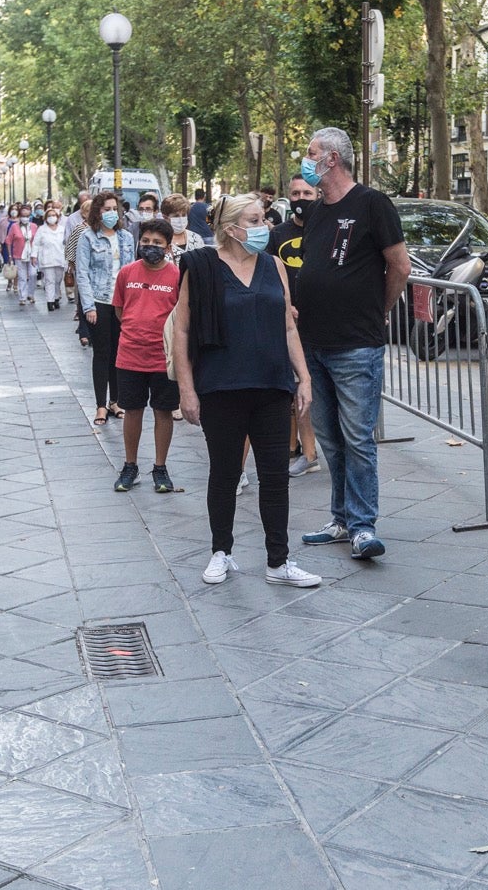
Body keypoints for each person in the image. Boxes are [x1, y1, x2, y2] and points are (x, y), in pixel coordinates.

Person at [171, 193, 319, 588]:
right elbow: (181, 329)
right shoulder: (201, 266)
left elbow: (288, 325)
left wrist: (303, 377)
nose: (264, 225)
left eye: (265, 218)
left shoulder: (273, 265)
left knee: (275, 477)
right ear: (232, 227)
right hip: (221, 386)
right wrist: (186, 389)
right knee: (224, 472)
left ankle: (278, 561)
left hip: (271, 385)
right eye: (255, 219)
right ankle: (221, 551)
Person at [293, 126, 411, 560]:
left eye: (311, 154)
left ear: (332, 160)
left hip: (356, 342)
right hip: (314, 343)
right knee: (329, 436)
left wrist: (380, 308)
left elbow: (399, 265)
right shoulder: (319, 210)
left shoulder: (372, 204)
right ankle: (341, 518)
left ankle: (362, 525)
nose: (305, 161)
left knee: (358, 436)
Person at [111, 218, 182, 495]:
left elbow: (182, 315)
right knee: (132, 410)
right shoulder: (127, 273)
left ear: (168, 246)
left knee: (163, 411)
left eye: (157, 243)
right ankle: (130, 466)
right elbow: (119, 311)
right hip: (130, 354)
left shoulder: (177, 276)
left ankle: (160, 467)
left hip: (164, 357)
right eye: (146, 241)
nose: (150, 247)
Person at [269, 174, 319, 476]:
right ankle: (305, 450)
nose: (301, 199)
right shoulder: (278, 235)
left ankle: (312, 448)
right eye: (296, 193)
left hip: (324, 321)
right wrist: (284, 304)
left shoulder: (328, 230)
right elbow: (269, 271)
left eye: (307, 193)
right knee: (296, 384)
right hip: (289, 322)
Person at [79, 191, 135, 425]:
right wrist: (88, 306)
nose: (111, 213)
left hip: (122, 304)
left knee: (119, 355)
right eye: (106, 209)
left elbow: (131, 270)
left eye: (114, 209)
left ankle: (116, 401)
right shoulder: (88, 237)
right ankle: (101, 405)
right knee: (102, 353)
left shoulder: (126, 237)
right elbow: (82, 273)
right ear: (97, 212)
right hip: (100, 302)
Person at [33, 204, 68, 311]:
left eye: (54, 215)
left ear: (57, 217)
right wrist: (34, 256)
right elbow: (36, 243)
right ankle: (50, 301)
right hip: (47, 259)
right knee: (49, 281)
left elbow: (67, 243)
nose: (52, 217)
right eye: (49, 215)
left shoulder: (62, 229)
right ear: (46, 218)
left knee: (58, 280)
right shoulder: (41, 230)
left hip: (60, 258)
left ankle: (56, 297)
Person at [8, 206, 38, 306]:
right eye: (23, 216)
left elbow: (37, 241)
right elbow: (8, 241)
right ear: (20, 216)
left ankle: (31, 294)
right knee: (22, 277)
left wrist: (37, 254)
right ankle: (22, 297)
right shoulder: (14, 227)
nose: (25, 218)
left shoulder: (34, 226)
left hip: (32, 255)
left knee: (33, 274)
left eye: (27, 216)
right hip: (18, 255)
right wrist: (9, 256)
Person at [162, 194, 205, 264]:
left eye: (184, 215)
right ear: (165, 217)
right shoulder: (160, 240)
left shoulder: (196, 238)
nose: (181, 219)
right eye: (176, 216)